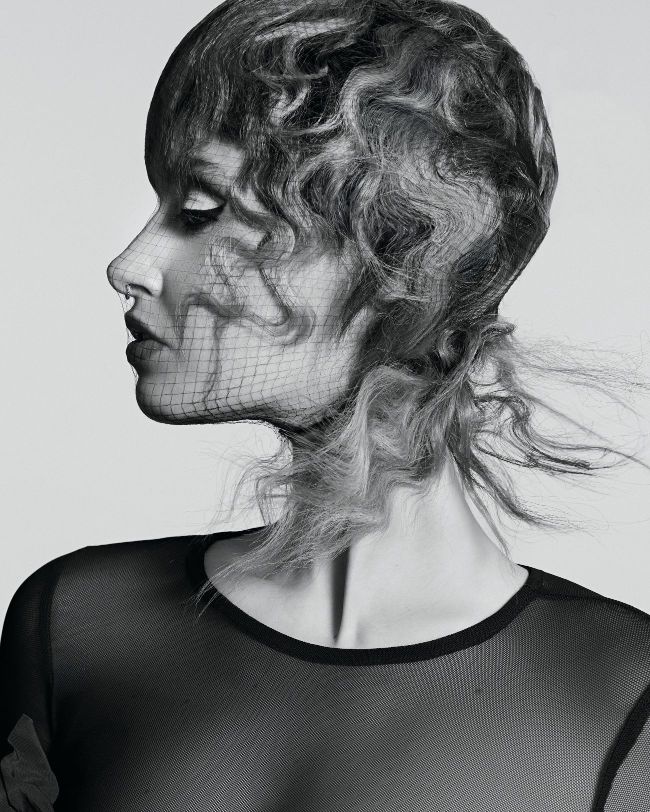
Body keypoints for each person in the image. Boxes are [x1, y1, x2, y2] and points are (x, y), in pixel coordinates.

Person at [1, 0, 649, 809]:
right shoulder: (80, 624)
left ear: (397, 257)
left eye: (200, 210)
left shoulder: (621, 701)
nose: (128, 265)